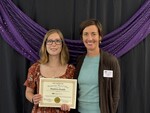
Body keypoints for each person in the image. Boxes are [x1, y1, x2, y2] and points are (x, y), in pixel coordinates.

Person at [73, 19, 120, 113]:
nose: (89, 38)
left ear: (100, 37)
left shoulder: (110, 61)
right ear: (82, 38)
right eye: (85, 34)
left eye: (93, 34)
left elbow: (115, 94)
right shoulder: (79, 60)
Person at [24, 29, 75, 113]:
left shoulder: (71, 69)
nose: (53, 44)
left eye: (57, 41)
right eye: (50, 41)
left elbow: (73, 96)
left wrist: (68, 104)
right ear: (45, 45)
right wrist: (33, 98)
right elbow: (28, 92)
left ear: (62, 45)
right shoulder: (35, 68)